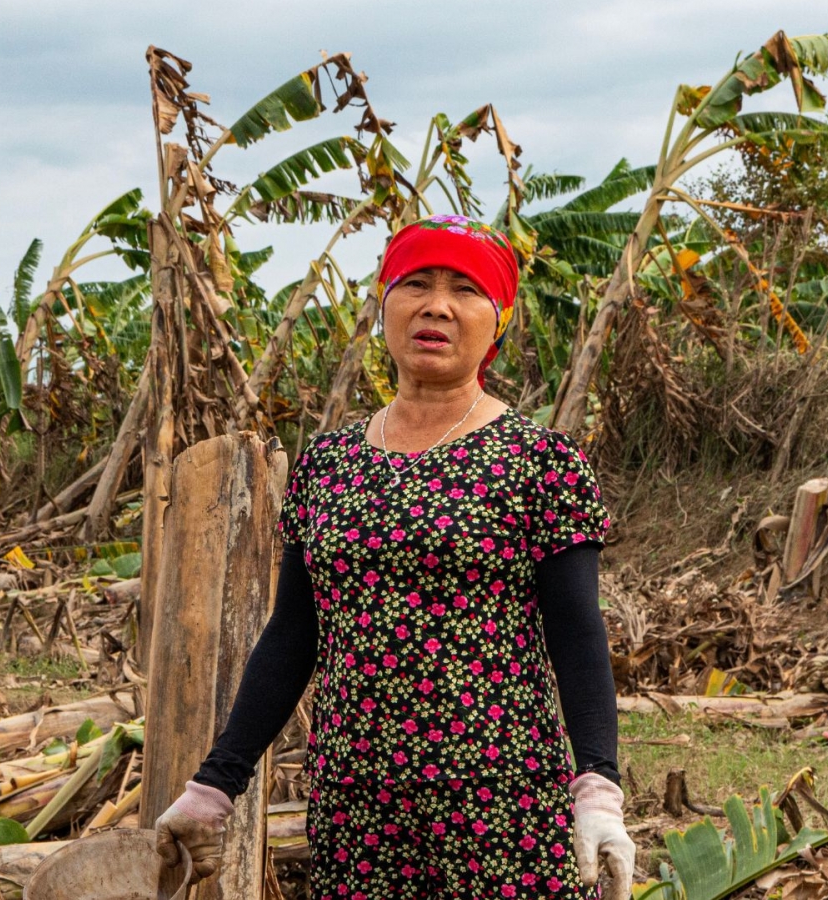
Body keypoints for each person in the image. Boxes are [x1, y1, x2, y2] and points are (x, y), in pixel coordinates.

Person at [152, 214, 634, 899]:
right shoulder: (329, 464)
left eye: (465, 289)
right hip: (358, 810)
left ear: (495, 321)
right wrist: (214, 785)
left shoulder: (538, 463)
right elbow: (294, 635)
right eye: (417, 283)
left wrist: (598, 792)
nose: (436, 304)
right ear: (385, 305)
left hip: (499, 803)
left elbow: (579, 636)